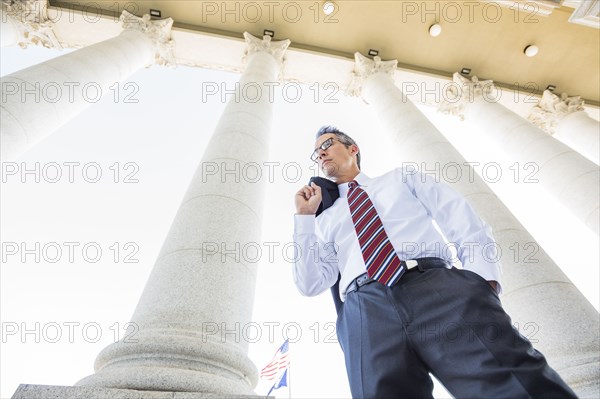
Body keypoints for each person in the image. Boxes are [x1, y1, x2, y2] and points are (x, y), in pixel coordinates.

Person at [292, 125, 577, 398]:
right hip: (365, 310)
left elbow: (459, 216)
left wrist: (483, 281)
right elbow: (310, 283)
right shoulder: (325, 218)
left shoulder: (402, 178)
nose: (321, 154)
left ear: (353, 148)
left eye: (327, 144)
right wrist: (304, 218)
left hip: (435, 286)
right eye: (316, 152)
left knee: (510, 382)